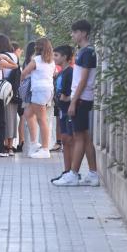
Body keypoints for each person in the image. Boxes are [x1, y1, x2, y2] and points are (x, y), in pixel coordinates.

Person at [54, 20, 100, 187]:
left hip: (81, 99)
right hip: (81, 98)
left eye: (75, 32)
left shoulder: (87, 52)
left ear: (84, 33)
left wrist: (73, 101)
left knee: (79, 137)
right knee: (86, 137)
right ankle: (93, 173)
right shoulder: (84, 52)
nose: (73, 35)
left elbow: (83, 79)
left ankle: (73, 173)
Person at [20, 37, 55, 159]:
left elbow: (24, 72)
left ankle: (45, 148)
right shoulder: (51, 61)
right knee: (28, 114)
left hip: (38, 90)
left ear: (37, 48)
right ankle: (35, 143)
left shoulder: (37, 60)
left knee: (42, 119)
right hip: (48, 90)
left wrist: (21, 83)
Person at [51, 45, 75, 182]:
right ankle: (66, 171)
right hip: (62, 110)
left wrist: (68, 98)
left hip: (68, 110)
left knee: (70, 140)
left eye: (56, 55)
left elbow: (74, 92)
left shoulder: (70, 73)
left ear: (65, 57)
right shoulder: (60, 73)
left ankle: (72, 170)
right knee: (65, 141)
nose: (54, 58)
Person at [0, 34, 19, 155]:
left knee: (2, 118)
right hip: (12, 90)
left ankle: (3, 144)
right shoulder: (14, 56)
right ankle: (10, 146)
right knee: (12, 118)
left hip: (0, 90)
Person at [17, 41, 35, 154]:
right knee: (32, 118)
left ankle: (22, 141)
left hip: (25, 92)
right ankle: (31, 143)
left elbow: (22, 75)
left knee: (25, 118)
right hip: (33, 92)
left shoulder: (25, 62)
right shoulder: (35, 61)